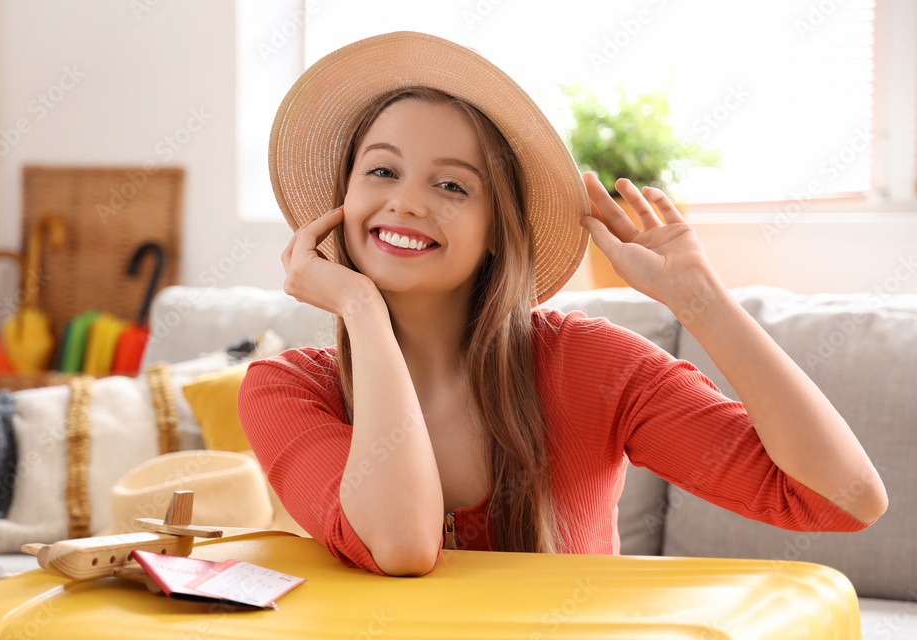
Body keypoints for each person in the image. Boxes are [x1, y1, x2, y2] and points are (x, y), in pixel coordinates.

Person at [238, 32, 887, 577]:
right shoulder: (285, 390)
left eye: (451, 184)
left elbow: (843, 499)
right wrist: (361, 310)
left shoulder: (592, 364)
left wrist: (700, 299)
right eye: (381, 171)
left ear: (499, 229)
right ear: (340, 201)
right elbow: (402, 545)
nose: (406, 201)